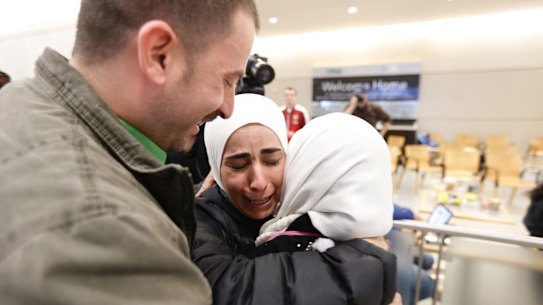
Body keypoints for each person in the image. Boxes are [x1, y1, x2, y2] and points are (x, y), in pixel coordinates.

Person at [0, 0, 258, 303]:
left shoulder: (16, 101)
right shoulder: (113, 237)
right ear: (158, 55)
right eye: (227, 80)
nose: (228, 108)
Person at [193, 93, 399, 305]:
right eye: (238, 165)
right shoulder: (196, 220)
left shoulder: (300, 200)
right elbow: (225, 287)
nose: (259, 182)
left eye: (272, 161)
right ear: (216, 169)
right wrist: (370, 263)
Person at [390, 204, 435, 305]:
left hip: (397, 243)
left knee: (428, 260)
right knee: (426, 283)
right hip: (390, 249)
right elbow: (407, 213)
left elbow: (408, 214)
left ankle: (404, 290)